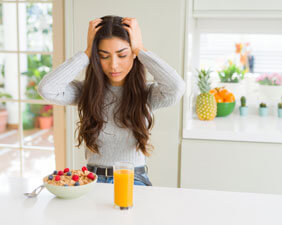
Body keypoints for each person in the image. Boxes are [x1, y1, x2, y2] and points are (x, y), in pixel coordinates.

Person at [37, 15, 185, 186]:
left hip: (133, 179)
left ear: (133, 55)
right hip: (92, 180)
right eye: (104, 56)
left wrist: (140, 49)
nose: (113, 65)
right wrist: (86, 54)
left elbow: (176, 87)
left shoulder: (147, 93)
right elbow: (47, 89)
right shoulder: (86, 91)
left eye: (122, 55)